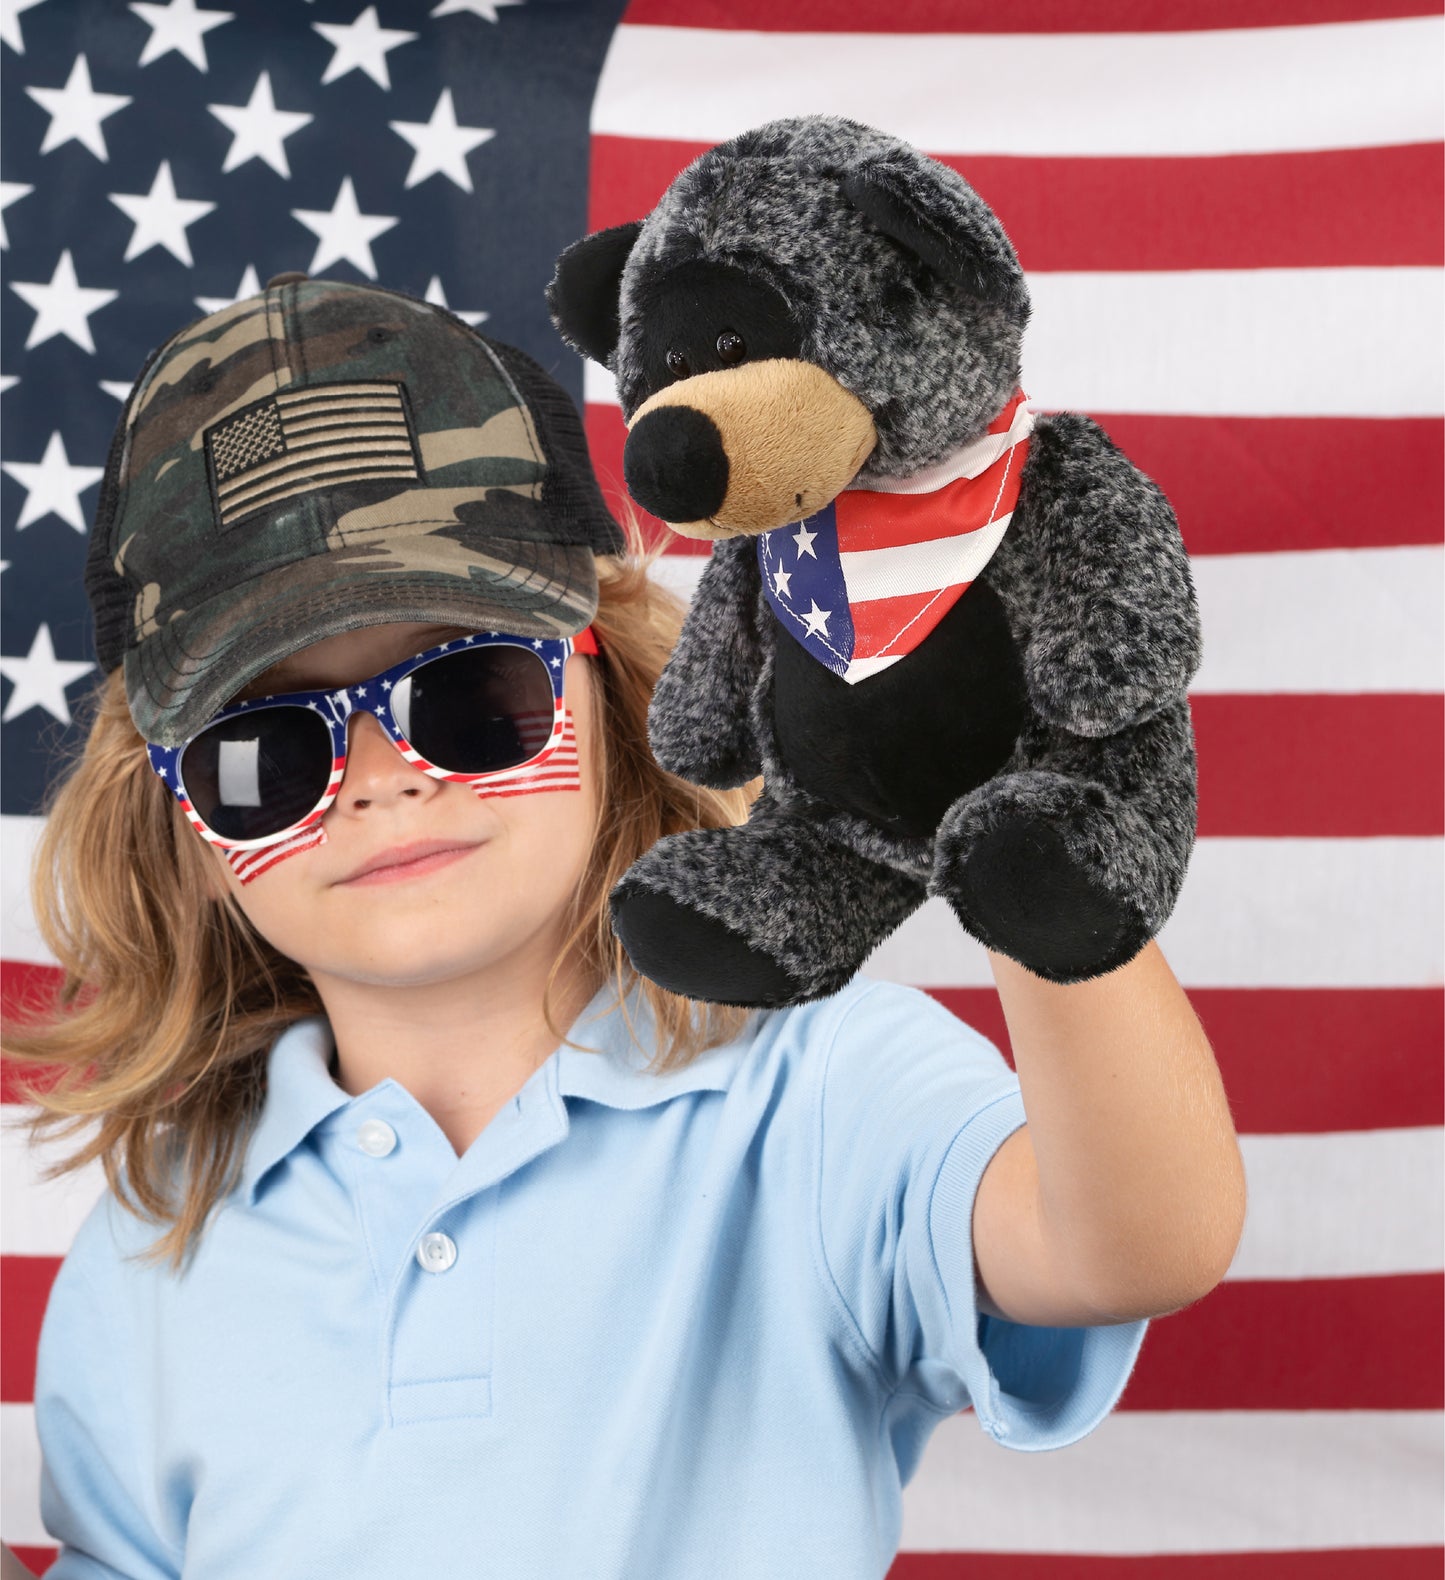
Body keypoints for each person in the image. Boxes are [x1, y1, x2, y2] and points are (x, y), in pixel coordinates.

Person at [6, 276, 1246, 1580]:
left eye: (469, 692)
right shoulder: (155, 1235)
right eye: (262, 752)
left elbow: (1136, 1245)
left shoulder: (819, 1092)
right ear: (183, 828)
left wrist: (1029, 844)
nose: (380, 779)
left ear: (617, 683)